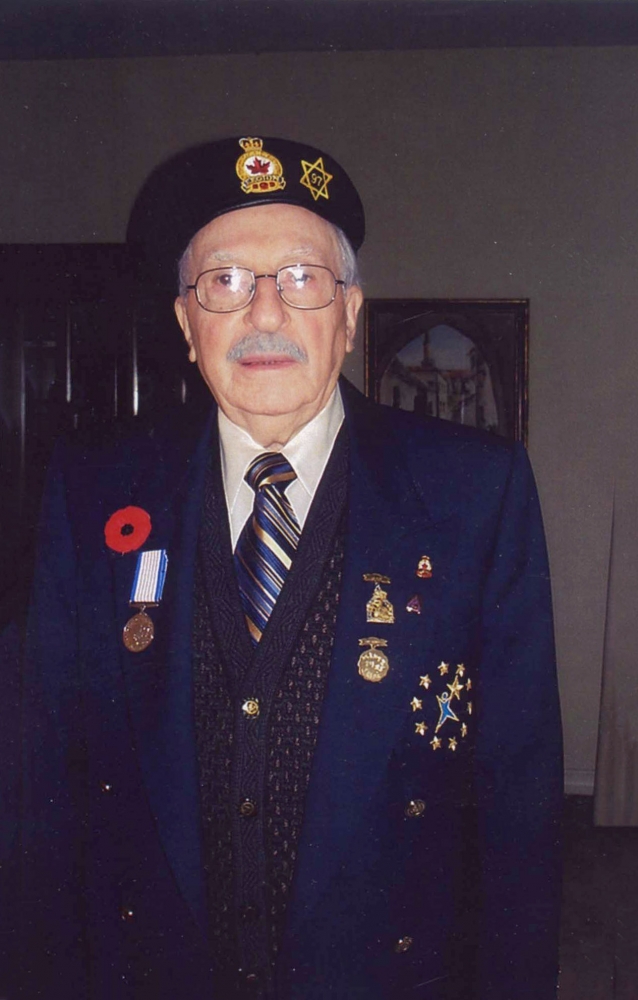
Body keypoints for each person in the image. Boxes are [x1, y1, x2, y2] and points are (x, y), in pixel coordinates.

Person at [17, 136, 562, 1000]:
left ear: (348, 315)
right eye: (225, 282)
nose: (264, 314)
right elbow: (42, 788)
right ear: (185, 325)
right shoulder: (94, 492)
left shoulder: (475, 493)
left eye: (301, 279)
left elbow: (521, 808)